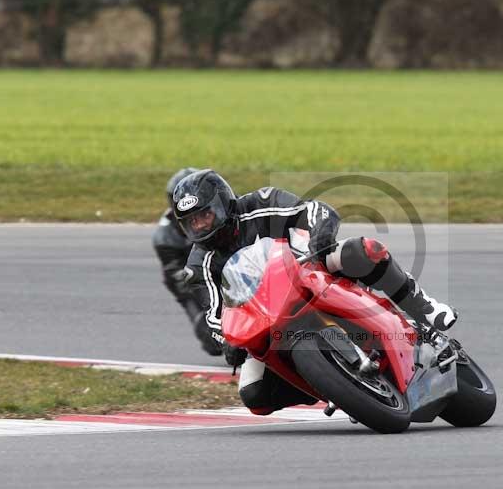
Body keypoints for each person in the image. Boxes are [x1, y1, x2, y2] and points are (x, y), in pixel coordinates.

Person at [173, 169, 458, 414]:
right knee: (254, 394)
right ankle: (334, 386)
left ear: (222, 204)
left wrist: (319, 234)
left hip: (307, 272)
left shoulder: (260, 204)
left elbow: (314, 210)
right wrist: (227, 340)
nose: (200, 226)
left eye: (205, 215)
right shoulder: (199, 266)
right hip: (265, 318)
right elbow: (214, 315)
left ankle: (424, 310)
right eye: (191, 222)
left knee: (361, 251)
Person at [152, 167, 222, 356]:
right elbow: (180, 282)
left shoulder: (223, 206)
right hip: (195, 283)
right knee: (212, 339)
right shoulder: (165, 237)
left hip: (227, 262)